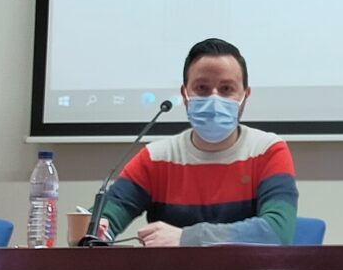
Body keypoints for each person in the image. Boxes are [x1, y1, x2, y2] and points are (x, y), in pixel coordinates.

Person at [92, 38, 299, 246]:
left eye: (227, 89)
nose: (214, 99)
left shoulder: (268, 151)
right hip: (171, 269)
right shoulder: (156, 157)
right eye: (202, 88)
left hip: (248, 269)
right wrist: (95, 229)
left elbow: (277, 231)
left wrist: (188, 238)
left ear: (245, 95)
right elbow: (104, 219)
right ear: (184, 95)